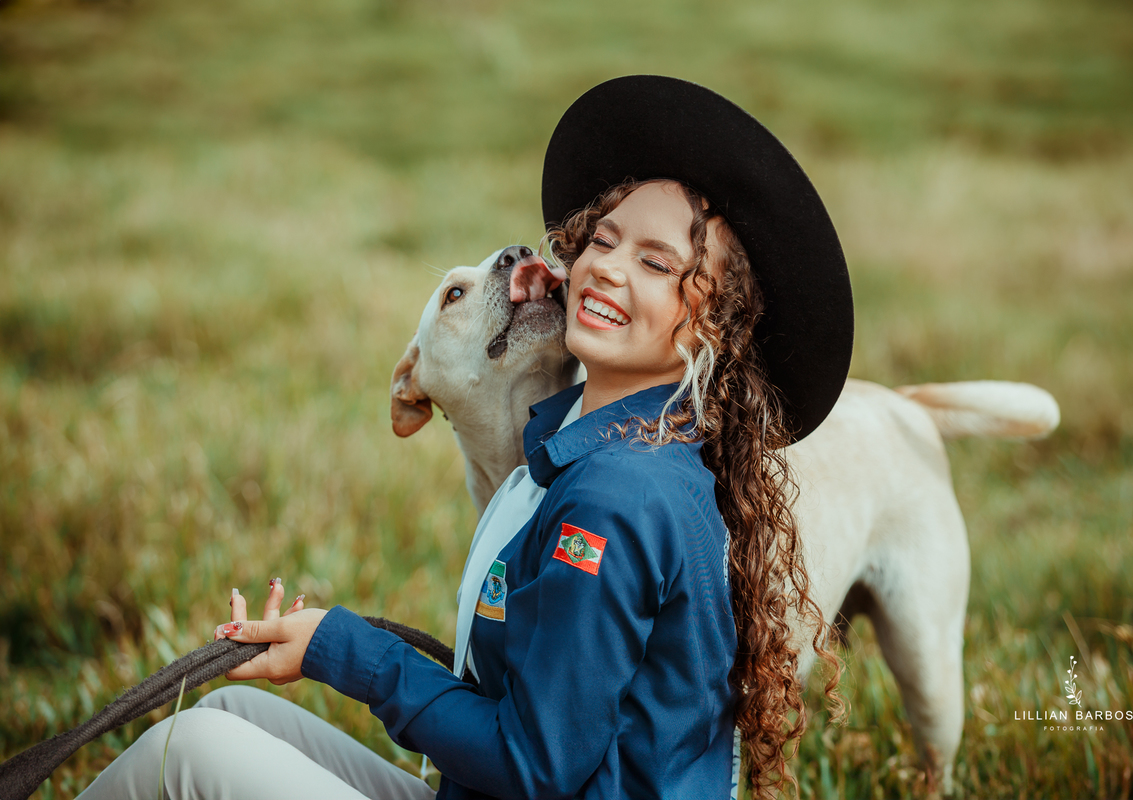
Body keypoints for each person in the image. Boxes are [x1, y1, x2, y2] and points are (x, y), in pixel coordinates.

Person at [75, 75, 854, 800]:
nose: (610, 269)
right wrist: (323, 644)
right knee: (237, 719)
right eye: (604, 240)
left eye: (658, 263)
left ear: (711, 329)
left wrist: (342, 649)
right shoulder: (625, 457)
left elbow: (534, 764)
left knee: (189, 751)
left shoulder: (613, 497)